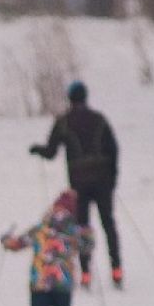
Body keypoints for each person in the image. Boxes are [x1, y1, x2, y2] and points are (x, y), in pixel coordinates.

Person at [30, 80, 121, 287]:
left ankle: (86, 273)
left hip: (79, 183)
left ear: (70, 98)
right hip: (103, 181)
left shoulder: (63, 122)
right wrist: (112, 178)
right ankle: (117, 269)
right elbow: (113, 150)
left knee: (81, 226)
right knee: (108, 223)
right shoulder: (100, 120)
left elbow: (51, 152)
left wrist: (38, 150)